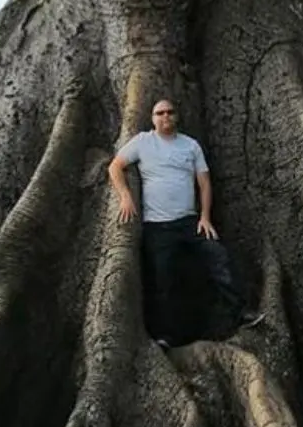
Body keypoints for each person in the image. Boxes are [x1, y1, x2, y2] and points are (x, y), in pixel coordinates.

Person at [108, 98, 265, 348]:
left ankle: (241, 313)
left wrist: (204, 216)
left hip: (190, 222)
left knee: (218, 257)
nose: (165, 116)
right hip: (157, 226)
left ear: (177, 116)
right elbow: (115, 167)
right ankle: (166, 336)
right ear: (152, 118)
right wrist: (125, 196)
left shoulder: (190, 146)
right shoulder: (142, 142)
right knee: (164, 280)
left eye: (170, 112)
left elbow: (204, 183)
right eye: (160, 113)